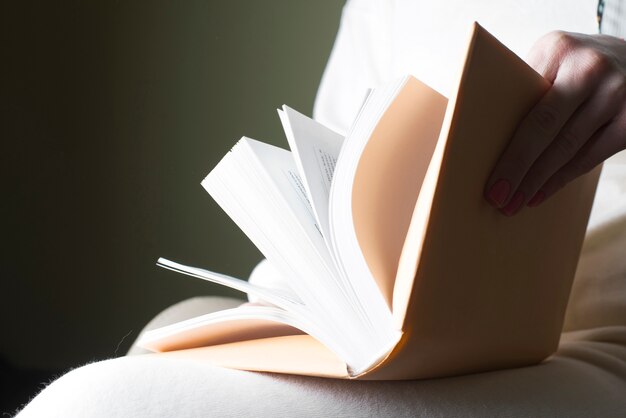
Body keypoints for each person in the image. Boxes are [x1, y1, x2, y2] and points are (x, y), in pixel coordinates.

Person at [16, 1, 626, 416]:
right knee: (175, 325)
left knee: (98, 403)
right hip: (422, 337)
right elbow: (341, 181)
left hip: (604, 338)